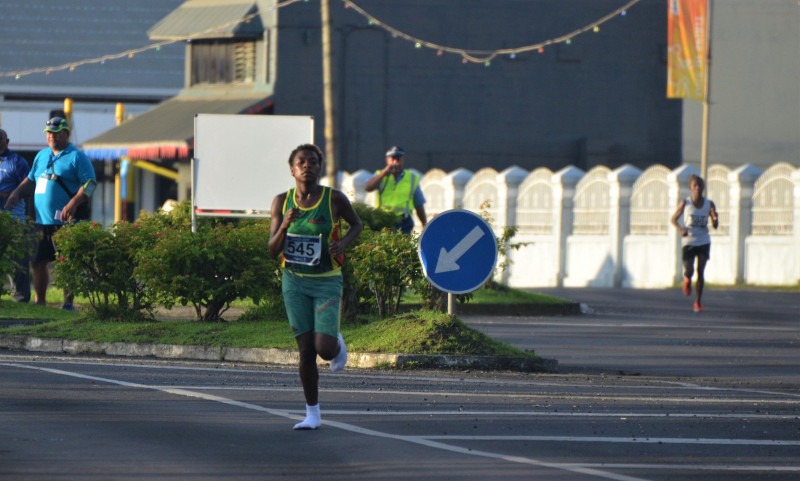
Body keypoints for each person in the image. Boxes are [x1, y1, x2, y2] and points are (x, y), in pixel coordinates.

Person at [268, 144, 363, 430]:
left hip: (326, 281)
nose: (307, 166)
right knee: (306, 351)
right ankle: (312, 414)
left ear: (319, 168)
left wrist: (342, 244)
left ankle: (336, 342)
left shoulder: (334, 199)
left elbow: (357, 224)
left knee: (324, 348)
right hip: (294, 282)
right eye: (301, 162)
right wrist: (284, 226)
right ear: (292, 169)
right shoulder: (281, 202)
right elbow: (272, 250)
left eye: (313, 162)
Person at [4, 117, 97, 310]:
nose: (51, 137)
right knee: (38, 262)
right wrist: (16, 192)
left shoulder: (76, 157)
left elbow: (90, 184)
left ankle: (68, 303)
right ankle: (40, 301)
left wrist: (73, 203)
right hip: (41, 221)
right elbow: (30, 180)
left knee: (66, 263)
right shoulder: (41, 155)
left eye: (55, 133)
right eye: (48, 133)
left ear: (66, 134)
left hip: (65, 221)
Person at [671, 173, 719, 313]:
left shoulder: (709, 204)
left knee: (700, 272)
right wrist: (681, 230)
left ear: (703, 187)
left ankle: (697, 302)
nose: (697, 188)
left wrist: (715, 219)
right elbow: (673, 219)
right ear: (690, 188)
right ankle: (687, 279)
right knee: (689, 269)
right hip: (689, 240)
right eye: (694, 185)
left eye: (699, 185)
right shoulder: (685, 203)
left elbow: (715, 225)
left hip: (704, 241)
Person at [0, 129, 32, 302]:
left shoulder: (17, 162)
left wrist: (8, 194)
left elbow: (29, 188)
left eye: (1, 139)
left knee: (17, 260)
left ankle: (21, 296)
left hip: (13, 221)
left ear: (7, 141)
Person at [364, 146, 427, 234]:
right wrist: (384, 173)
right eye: (392, 159)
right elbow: (368, 187)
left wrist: (424, 224)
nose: (395, 163)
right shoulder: (380, 175)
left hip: (403, 221)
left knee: (402, 246)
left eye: (398, 159)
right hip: (384, 219)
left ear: (403, 160)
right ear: (387, 160)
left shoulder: (412, 178)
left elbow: (419, 205)